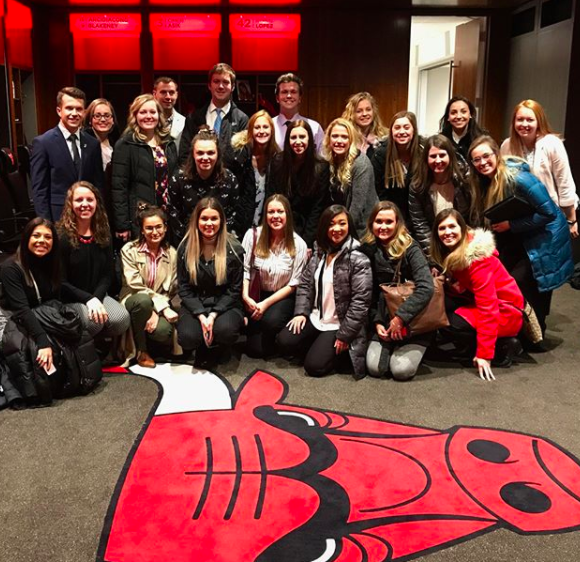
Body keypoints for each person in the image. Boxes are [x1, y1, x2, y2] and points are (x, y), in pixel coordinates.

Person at [469, 135, 573, 333]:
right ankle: (521, 330)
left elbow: (549, 213)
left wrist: (511, 224)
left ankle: (536, 331)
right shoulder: (483, 182)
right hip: (523, 236)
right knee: (507, 280)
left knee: (526, 284)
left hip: (543, 239)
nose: (482, 163)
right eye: (476, 159)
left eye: (486, 156)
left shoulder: (519, 178)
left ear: (496, 154)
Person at [0, 218, 101, 405]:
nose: (42, 241)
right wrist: (43, 341)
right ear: (26, 238)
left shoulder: (49, 262)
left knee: (83, 325)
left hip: (41, 313)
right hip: (12, 317)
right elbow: (21, 309)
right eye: (36, 235)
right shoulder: (10, 268)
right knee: (25, 351)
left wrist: (89, 298)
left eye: (47, 237)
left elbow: (61, 287)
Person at [277, 205, 372, 380]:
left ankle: (340, 353)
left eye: (342, 223)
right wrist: (301, 313)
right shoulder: (320, 251)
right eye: (331, 224)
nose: (336, 229)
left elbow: (361, 302)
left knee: (314, 367)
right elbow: (305, 284)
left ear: (349, 226)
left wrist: (345, 335)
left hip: (339, 324)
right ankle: (320, 345)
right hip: (315, 317)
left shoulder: (359, 258)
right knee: (284, 341)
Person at [431, 209, 525, 381]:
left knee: (447, 322)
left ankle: (502, 346)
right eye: (442, 228)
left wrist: (484, 354)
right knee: (441, 306)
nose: (447, 232)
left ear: (463, 229)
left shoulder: (477, 261)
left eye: (452, 226)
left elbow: (488, 309)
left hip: (505, 312)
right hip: (486, 303)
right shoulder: (457, 251)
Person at [360, 201, 434, 381]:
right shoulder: (368, 249)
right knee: (375, 368)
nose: (383, 226)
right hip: (384, 318)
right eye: (379, 221)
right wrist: (376, 322)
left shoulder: (411, 247)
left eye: (388, 222)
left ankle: (420, 345)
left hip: (413, 320)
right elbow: (369, 292)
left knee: (400, 371)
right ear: (371, 224)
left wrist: (401, 317)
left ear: (397, 223)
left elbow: (426, 287)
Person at [57, 181, 130, 339]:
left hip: (97, 295)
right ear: (70, 204)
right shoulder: (62, 237)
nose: (85, 204)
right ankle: (84, 350)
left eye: (89, 200)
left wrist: (96, 298)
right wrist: (88, 299)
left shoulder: (103, 233)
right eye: (79, 200)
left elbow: (107, 275)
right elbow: (61, 281)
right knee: (93, 322)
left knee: (121, 319)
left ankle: (98, 344)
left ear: (96, 202)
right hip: (70, 299)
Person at [177, 197, 245, 366]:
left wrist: (213, 315)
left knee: (225, 331)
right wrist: (201, 316)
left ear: (221, 220)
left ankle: (220, 344)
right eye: (204, 218)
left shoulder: (234, 249)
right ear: (197, 221)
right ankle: (203, 342)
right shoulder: (185, 248)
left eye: (214, 218)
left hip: (225, 303)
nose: (209, 223)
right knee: (187, 337)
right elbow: (184, 289)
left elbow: (234, 290)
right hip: (196, 302)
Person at [241, 194, 308, 358]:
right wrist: (245, 297)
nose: (275, 216)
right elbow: (244, 270)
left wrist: (264, 305)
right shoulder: (252, 235)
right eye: (271, 212)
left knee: (270, 322)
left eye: (280, 211)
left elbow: (293, 284)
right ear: (265, 215)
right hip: (254, 293)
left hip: (281, 296)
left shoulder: (299, 244)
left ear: (288, 215)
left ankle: (278, 334)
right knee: (254, 350)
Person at [500, 99, 578, 238]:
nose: (524, 124)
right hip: (521, 217)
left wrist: (571, 220)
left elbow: (564, 182)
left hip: (551, 214)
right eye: (520, 119)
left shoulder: (552, 144)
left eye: (530, 120)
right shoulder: (507, 145)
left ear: (538, 122)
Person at [30, 86, 104, 221]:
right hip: (58, 216)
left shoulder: (93, 144)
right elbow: (39, 189)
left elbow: (97, 184)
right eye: (69, 108)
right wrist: (45, 223)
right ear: (59, 111)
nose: (74, 113)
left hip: (88, 217)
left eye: (79, 109)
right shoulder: (43, 143)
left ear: (84, 112)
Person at [111, 93, 178, 241]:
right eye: (143, 112)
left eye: (152, 112)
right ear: (135, 116)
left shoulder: (169, 143)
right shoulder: (125, 145)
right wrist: (122, 225)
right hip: (139, 218)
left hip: (167, 216)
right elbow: (119, 187)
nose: (148, 116)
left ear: (159, 115)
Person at [119, 205, 178, 368]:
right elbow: (135, 285)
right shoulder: (129, 250)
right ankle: (141, 351)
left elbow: (171, 289)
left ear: (165, 228)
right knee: (143, 302)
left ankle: (146, 338)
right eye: (149, 228)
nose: (155, 232)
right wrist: (159, 309)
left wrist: (156, 309)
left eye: (158, 227)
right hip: (133, 299)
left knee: (164, 331)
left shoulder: (172, 253)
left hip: (157, 304)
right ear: (142, 231)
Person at [167, 127, 240, 244]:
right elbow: (174, 217)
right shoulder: (178, 179)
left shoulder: (229, 179)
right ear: (193, 154)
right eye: (200, 153)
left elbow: (233, 215)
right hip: (188, 242)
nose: (205, 158)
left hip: (220, 242)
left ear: (218, 154)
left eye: (210, 153)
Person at [267, 120, 330, 247]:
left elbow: (317, 208)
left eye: (302, 137)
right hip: (279, 225)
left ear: (309, 139)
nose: (298, 141)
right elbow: (271, 197)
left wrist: (306, 243)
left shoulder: (321, 167)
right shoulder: (277, 161)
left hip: (307, 229)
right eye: (293, 137)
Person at [409, 134, 475, 255]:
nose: (438, 160)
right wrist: (434, 257)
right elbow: (420, 225)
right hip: (434, 246)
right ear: (426, 159)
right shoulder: (417, 186)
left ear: (450, 156)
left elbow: (472, 216)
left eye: (442, 155)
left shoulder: (463, 180)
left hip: (465, 245)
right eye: (433, 156)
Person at [178, 63, 249, 165]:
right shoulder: (194, 118)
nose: (220, 86)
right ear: (209, 85)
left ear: (233, 87)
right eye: (216, 81)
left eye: (225, 82)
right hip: (198, 179)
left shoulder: (242, 119)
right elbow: (184, 155)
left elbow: (242, 157)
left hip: (230, 179)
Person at [227, 110, 280, 234]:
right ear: (251, 131)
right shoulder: (239, 156)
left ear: (272, 130)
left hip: (267, 224)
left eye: (265, 127)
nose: (261, 131)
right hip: (240, 223)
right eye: (257, 127)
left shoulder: (277, 159)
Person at [324, 118, 377, 236]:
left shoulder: (361, 164)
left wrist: (342, 233)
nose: (339, 140)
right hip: (338, 226)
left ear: (351, 140)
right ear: (329, 139)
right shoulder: (329, 161)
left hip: (361, 229)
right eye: (335, 136)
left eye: (344, 137)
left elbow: (357, 208)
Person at [371, 111, 423, 223]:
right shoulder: (380, 155)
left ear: (413, 130)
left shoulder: (423, 152)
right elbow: (379, 192)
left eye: (406, 127)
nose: (402, 132)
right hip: (390, 216)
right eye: (397, 128)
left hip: (419, 215)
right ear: (391, 131)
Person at [272, 73, 324, 152]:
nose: (289, 96)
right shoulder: (268, 128)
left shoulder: (314, 128)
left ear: (300, 98)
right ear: (277, 98)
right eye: (284, 92)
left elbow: (321, 159)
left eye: (293, 92)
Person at [341, 91, 388, 160]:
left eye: (368, 110)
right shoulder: (346, 137)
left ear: (374, 111)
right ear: (352, 114)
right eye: (359, 111)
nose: (364, 114)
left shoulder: (385, 137)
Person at [439, 96, 486, 161]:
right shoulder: (441, 140)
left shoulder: (482, 139)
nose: (458, 116)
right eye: (453, 113)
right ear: (448, 117)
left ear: (470, 115)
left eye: (463, 112)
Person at [84, 98, 120, 171]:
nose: (103, 119)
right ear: (90, 120)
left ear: (113, 120)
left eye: (107, 116)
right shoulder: (83, 141)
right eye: (97, 116)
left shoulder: (117, 143)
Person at [153, 76, 186, 152]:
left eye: (171, 92)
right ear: (154, 94)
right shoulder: (147, 121)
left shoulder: (185, 123)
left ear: (176, 95)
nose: (168, 97)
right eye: (163, 92)